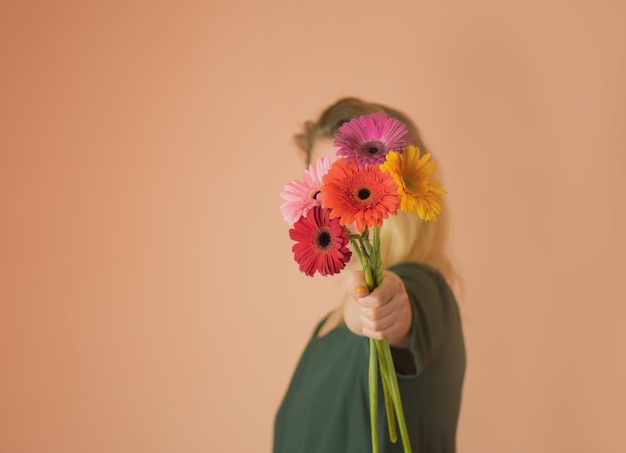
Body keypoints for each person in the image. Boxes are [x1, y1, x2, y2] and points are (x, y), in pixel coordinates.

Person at [273, 97, 466, 453]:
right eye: (319, 188)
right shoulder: (324, 331)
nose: (328, 202)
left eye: (343, 180)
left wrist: (377, 304)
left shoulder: (423, 288)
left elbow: (391, 307)